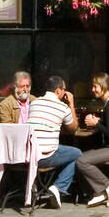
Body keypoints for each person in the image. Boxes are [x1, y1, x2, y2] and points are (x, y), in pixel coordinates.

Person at [27, 75, 81, 207]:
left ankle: (38, 187)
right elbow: (73, 128)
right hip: (44, 156)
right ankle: (58, 187)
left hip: (27, 154)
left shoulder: (34, 103)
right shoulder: (62, 107)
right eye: (64, 90)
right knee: (77, 154)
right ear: (58, 91)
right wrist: (71, 104)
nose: (64, 93)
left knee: (64, 150)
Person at [75, 72, 109, 207]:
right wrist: (99, 121)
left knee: (81, 161)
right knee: (80, 157)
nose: (92, 90)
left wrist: (95, 124)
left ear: (103, 86)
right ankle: (100, 192)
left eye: (95, 86)